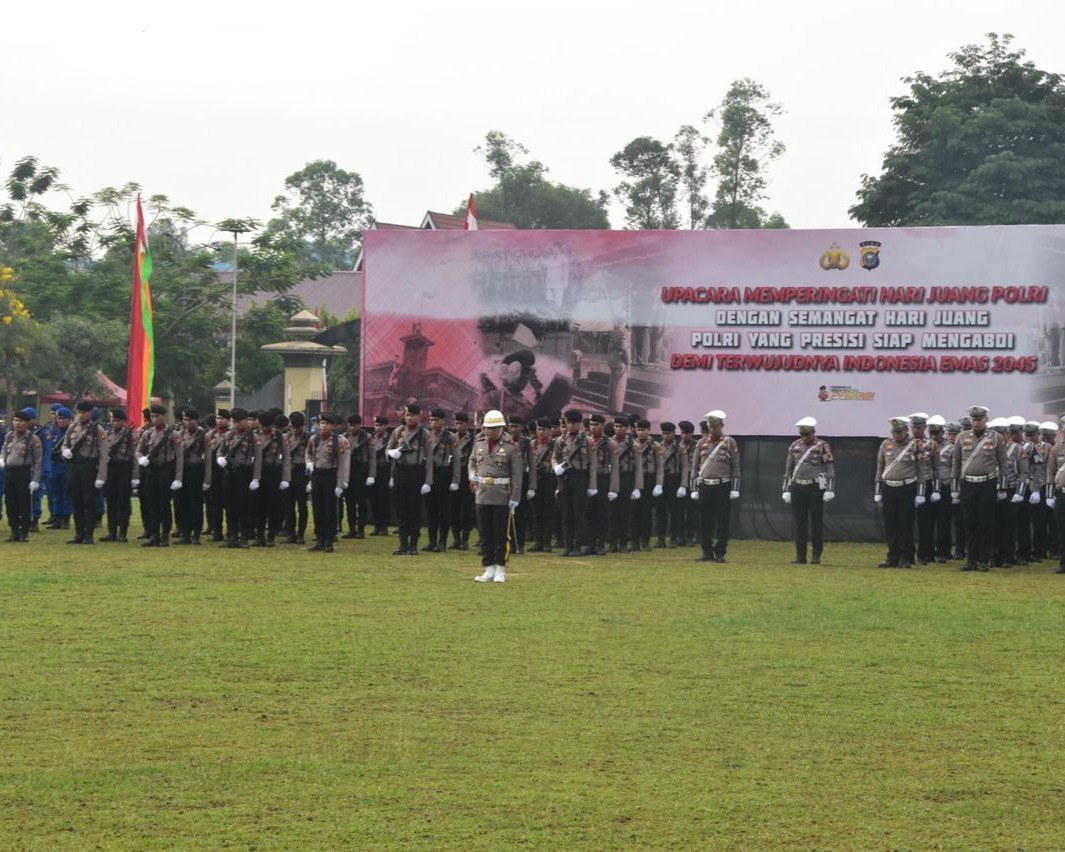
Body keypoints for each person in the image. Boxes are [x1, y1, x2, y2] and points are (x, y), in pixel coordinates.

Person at [950, 405, 1009, 572]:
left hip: (987, 484)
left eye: (979, 419)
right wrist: (955, 488)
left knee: (986, 523)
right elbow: (956, 463)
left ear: (986, 420)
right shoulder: (962, 437)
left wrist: (1002, 487)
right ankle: (971, 561)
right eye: (974, 420)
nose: (976, 423)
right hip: (967, 484)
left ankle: (984, 560)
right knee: (969, 523)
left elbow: (1003, 463)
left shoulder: (995, 437)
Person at [469, 410, 524, 583]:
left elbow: (517, 475)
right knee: (484, 533)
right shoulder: (478, 444)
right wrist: (472, 474)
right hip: (482, 493)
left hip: (502, 495)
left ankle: (500, 568)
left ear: (501, 428)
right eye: (486, 428)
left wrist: (515, 497)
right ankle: (488, 568)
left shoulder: (510, 447)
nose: (489, 431)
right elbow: (471, 461)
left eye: (493, 428)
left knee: (501, 534)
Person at [874, 416, 926, 568]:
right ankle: (892, 557)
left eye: (899, 432)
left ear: (906, 430)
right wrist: (877, 490)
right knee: (890, 524)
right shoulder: (885, 444)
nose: (896, 435)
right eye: (894, 432)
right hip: (889, 487)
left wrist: (921, 493)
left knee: (905, 524)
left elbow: (921, 470)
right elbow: (880, 467)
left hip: (907, 488)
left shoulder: (915, 445)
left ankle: (906, 557)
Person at [782, 417, 835, 564]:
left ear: (813, 432)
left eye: (807, 435)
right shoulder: (794, 446)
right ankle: (800, 556)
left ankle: (816, 555)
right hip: (798, 487)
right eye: (802, 435)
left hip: (815, 487)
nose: (805, 438)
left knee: (816, 522)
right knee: (800, 523)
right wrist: (786, 489)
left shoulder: (822, 446)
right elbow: (788, 469)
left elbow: (829, 466)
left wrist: (830, 489)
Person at [691, 410, 741, 563]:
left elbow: (736, 467)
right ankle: (706, 552)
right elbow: (694, 467)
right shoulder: (701, 443)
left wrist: (735, 488)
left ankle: (720, 552)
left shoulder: (729, 442)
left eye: (715, 426)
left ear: (722, 426)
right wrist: (694, 489)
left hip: (722, 485)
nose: (713, 429)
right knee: (705, 521)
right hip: (705, 486)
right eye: (710, 426)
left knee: (722, 521)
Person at [134, 403, 184, 547]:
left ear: (164, 417)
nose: (154, 419)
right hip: (151, 471)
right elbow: (138, 451)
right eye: (153, 416)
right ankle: (154, 535)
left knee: (164, 505)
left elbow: (179, 457)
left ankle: (164, 535)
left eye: (157, 416)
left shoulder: (173, 434)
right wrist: (140, 458)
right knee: (152, 504)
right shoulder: (147, 433)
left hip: (166, 471)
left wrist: (178, 478)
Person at [386, 403, 433, 556]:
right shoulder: (398, 432)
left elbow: (430, 459)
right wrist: (392, 453)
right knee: (401, 509)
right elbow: (388, 449)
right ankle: (402, 544)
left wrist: (428, 481)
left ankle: (413, 544)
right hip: (400, 472)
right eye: (407, 415)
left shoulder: (424, 434)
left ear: (419, 416)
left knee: (414, 510)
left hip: (416, 473)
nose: (409, 418)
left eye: (412, 415)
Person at [59, 400, 109, 544]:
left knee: (89, 501)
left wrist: (101, 476)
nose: (81, 415)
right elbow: (65, 444)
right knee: (76, 500)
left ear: (90, 413)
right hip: (74, 467)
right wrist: (65, 451)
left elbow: (104, 454)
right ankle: (79, 533)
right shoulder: (72, 427)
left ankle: (89, 534)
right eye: (79, 412)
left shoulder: (98, 430)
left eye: (84, 412)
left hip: (89, 467)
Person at [552, 408, 597, 557]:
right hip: (565, 477)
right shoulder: (560, 440)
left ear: (579, 424)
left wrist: (592, 485)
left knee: (579, 513)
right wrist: (556, 467)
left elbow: (593, 464)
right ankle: (568, 545)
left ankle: (578, 545)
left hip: (580, 477)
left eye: (573, 423)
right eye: (568, 423)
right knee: (566, 513)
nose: (570, 426)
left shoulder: (587, 441)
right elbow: (554, 457)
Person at [215, 407, 260, 549]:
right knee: (230, 506)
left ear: (246, 421)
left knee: (244, 507)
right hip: (229, 474)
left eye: (238, 421)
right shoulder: (229, 435)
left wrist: (256, 478)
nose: (236, 424)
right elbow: (221, 451)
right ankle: (231, 536)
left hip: (245, 473)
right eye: (234, 421)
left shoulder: (254, 437)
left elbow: (258, 460)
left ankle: (244, 537)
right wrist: (220, 459)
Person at [307, 412, 351, 553]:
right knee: (317, 509)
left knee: (330, 510)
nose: (323, 426)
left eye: (326, 423)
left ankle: (329, 540)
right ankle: (319, 539)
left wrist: (341, 484)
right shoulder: (314, 438)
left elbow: (344, 464)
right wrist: (309, 463)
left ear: (333, 426)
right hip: (317, 474)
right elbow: (308, 453)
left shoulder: (341, 441)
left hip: (331, 475)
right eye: (321, 423)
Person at [1, 409, 43, 542]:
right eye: (15, 420)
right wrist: (2, 458)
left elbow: (38, 460)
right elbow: (4, 449)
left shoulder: (33, 439)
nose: (16, 423)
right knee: (10, 503)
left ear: (27, 423)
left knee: (23, 504)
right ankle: (14, 531)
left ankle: (24, 531)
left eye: (20, 421)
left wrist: (35, 479)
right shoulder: (10, 436)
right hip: (9, 472)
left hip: (24, 473)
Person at [253, 411, 289, 547]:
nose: (265, 428)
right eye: (263, 425)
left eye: (267, 425)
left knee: (274, 506)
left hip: (274, 473)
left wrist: (286, 478)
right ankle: (259, 535)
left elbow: (286, 458)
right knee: (258, 506)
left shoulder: (280, 437)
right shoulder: (254, 435)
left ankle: (271, 535)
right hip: (259, 473)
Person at [424, 409, 458, 552]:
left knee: (443, 510)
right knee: (430, 510)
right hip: (429, 473)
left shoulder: (450, 437)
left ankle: (442, 541)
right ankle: (432, 541)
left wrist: (455, 480)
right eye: (431, 420)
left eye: (436, 420)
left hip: (444, 473)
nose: (433, 423)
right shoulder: (426, 435)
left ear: (444, 421)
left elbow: (456, 460)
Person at [102, 409, 135, 542]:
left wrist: (135, 475)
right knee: (110, 502)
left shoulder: (130, 435)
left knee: (123, 501)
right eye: (112, 420)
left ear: (123, 421)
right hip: (110, 470)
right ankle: (112, 532)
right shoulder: (108, 433)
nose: (113, 423)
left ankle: (123, 532)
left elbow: (133, 455)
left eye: (116, 420)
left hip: (124, 469)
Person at [342, 414, 375, 540]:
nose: (352, 427)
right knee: (349, 502)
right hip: (349, 470)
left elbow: (372, 457)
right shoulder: (344, 437)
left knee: (361, 502)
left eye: (354, 425)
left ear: (359, 425)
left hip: (362, 470)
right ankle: (351, 529)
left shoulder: (366, 437)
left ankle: (361, 529)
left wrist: (371, 475)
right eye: (350, 425)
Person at [527, 416, 557, 552]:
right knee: (536, 512)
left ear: (550, 431)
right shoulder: (531, 444)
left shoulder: (555, 444)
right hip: (534, 479)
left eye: (544, 429)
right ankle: (538, 541)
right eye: (539, 429)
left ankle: (547, 542)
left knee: (548, 511)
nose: (541, 432)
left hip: (549, 479)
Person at [657, 422, 689, 548]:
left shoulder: (680, 448)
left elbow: (685, 467)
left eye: (668, 433)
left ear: (673, 433)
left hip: (674, 480)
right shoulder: (658, 446)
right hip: (661, 481)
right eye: (663, 433)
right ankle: (661, 538)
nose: (665, 436)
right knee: (660, 511)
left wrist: (683, 485)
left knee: (675, 512)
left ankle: (674, 537)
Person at [283, 411, 311, 544]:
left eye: (297, 427)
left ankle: (300, 533)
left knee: (302, 505)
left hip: (301, 470)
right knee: (288, 504)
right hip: (289, 471)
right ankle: (290, 533)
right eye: (293, 427)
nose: (295, 429)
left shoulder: (309, 438)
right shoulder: (287, 437)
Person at [450, 412, 476, 550]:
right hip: (454, 475)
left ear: (467, 424)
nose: (458, 426)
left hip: (467, 475)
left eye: (461, 423)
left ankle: (465, 539)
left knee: (467, 509)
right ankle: (456, 539)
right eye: (456, 423)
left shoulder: (473, 440)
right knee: (453, 508)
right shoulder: (451, 438)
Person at [369, 415, 392, 536]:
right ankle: (376, 525)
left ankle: (384, 526)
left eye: (380, 425)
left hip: (384, 470)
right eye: (376, 425)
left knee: (384, 499)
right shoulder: (370, 438)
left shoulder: (389, 439)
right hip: (372, 472)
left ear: (385, 426)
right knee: (374, 499)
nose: (377, 428)